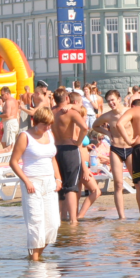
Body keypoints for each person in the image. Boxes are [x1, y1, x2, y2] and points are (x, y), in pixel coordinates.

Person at [7, 107, 62, 261]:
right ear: (36, 122)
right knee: (36, 224)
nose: (48, 127)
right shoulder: (25, 136)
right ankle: (34, 262)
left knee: (52, 224)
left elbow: (52, 157)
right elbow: (13, 162)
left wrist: (58, 178)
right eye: (45, 124)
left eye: (50, 124)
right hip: (32, 182)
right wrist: (26, 181)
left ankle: (33, 257)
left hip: (49, 182)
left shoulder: (49, 135)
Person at [51, 88, 89, 225]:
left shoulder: (51, 112)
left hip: (55, 149)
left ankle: (60, 220)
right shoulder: (71, 113)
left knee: (59, 185)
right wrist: (78, 142)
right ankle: (73, 221)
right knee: (71, 186)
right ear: (67, 99)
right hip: (70, 149)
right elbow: (85, 128)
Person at [90, 90, 128, 220]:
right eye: (109, 101)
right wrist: (108, 133)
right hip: (115, 149)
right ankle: (121, 217)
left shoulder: (129, 112)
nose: (111, 103)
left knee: (138, 182)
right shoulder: (108, 116)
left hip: (130, 148)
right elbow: (95, 125)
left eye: (113, 100)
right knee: (118, 184)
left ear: (119, 98)